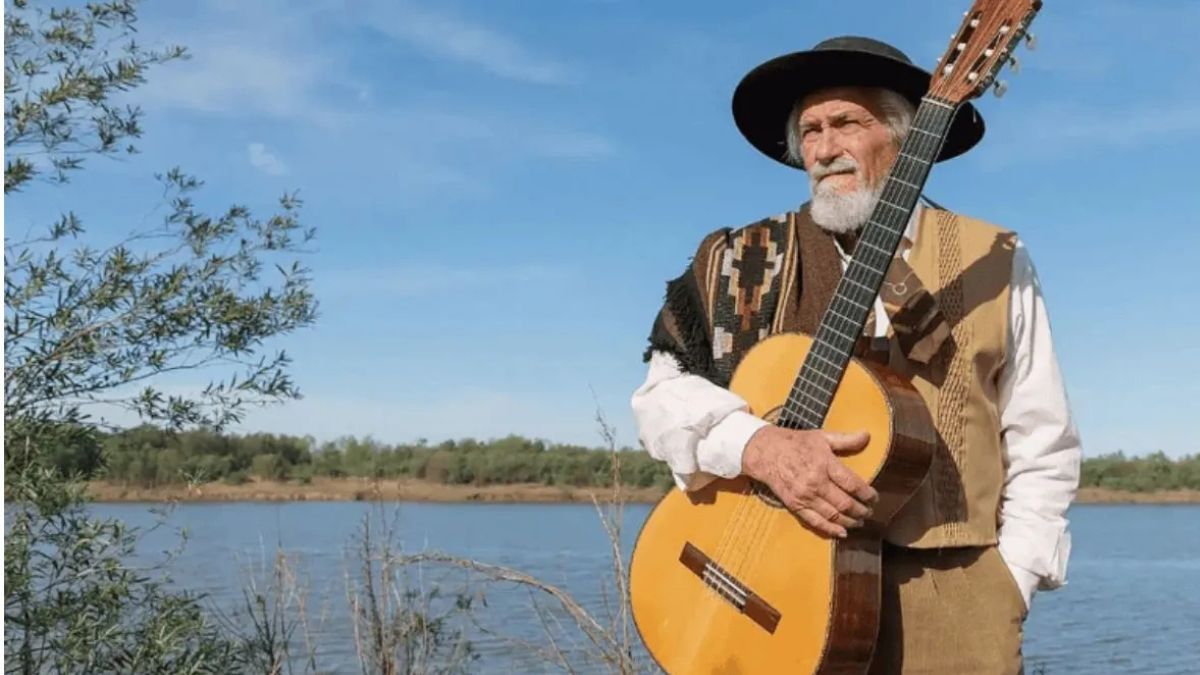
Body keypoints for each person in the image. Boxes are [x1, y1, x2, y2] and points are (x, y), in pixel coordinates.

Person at [631, 36, 1081, 674]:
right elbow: (662, 399)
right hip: (774, 584)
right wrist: (757, 446)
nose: (822, 148)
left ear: (903, 135)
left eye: (846, 122)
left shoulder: (995, 259)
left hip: (955, 597)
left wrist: (1014, 578)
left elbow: (1042, 436)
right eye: (809, 129)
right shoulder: (738, 259)